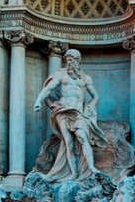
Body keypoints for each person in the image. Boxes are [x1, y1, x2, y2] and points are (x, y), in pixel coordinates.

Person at [33, 49, 108, 181]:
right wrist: (38, 100)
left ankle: (91, 168)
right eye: (67, 60)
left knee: (83, 138)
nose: (69, 62)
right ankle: (73, 173)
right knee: (68, 142)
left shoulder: (86, 78)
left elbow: (95, 96)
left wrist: (91, 104)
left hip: (78, 112)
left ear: (78, 61)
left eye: (72, 60)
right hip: (63, 110)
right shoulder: (61, 74)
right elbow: (48, 88)